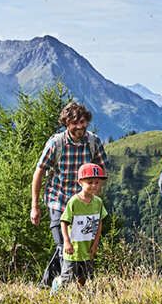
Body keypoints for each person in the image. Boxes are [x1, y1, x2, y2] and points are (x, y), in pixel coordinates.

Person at [30, 100, 108, 288]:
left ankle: (77, 285)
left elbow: (103, 169)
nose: (80, 127)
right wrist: (35, 206)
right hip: (59, 199)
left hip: (83, 203)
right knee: (62, 245)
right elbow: (39, 171)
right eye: (76, 123)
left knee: (80, 246)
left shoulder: (93, 141)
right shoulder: (56, 143)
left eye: (83, 122)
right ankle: (49, 285)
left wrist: (96, 196)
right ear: (67, 123)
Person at [52, 163, 108, 292]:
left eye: (97, 182)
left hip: (87, 248)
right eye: (90, 182)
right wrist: (66, 242)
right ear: (80, 182)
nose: (94, 185)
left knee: (85, 277)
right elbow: (64, 221)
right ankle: (57, 287)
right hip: (74, 249)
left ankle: (80, 295)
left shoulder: (98, 202)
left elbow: (99, 223)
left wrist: (95, 244)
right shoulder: (74, 201)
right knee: (67, 278)